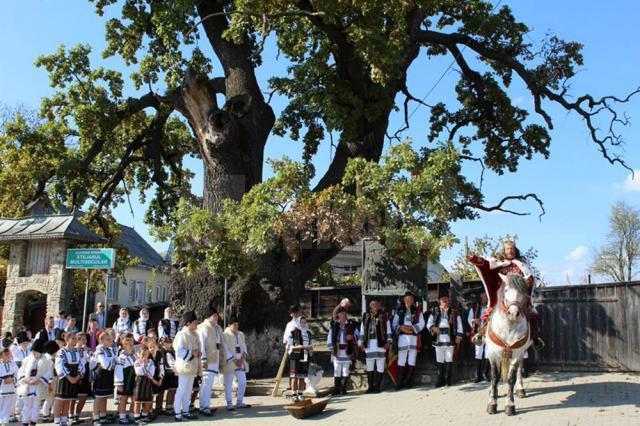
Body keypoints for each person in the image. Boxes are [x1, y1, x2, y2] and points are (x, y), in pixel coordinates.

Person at [467, 240, 544, 349]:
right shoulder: (498, 263)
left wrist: (526, 282)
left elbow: (529, 277)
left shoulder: (521, 264)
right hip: (502, 295)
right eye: (507, 249)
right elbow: (486, 265)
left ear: (515, 250)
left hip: (518, 296)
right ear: (504, 251)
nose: (510, 251)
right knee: (489, 312)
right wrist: (475, 259)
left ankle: (535, 338)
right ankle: (481, 333)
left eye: (512, 249)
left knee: (532, 314)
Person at [427, 295, 463, 388]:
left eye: (446, 300)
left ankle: (448, 380)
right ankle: (440, 380)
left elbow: (459, 324)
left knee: (449, 359)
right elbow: (429, 323)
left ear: (449, 301)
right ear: (439, 301)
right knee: (439, 360)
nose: (444, 302)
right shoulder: (435, 311)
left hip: (449, 338)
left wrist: (459, 336)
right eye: (442, 300)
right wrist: (433, 328)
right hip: (438, 338)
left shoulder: (454, 312)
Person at [391, 291, 425, 390]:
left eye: (410, 299)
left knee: (412, 360)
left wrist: (413, 328)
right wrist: (401, 328)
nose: (409, 300)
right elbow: (394, 324)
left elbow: (422, 323)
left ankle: (409, 382)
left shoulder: (417, 310)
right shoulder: (399, 310)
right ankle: (400, 382)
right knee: (401, 360)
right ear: (404, 299)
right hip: (402, 338)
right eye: (407, 298)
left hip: (413, 338)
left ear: (413, 300)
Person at [359, 297, 392, 394]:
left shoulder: (384, 316)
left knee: (380, 366)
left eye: (376, 305)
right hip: (369, 344)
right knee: (369, 366)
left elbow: (389, 329)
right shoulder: (365, 316)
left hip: (381, 344)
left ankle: (377, 386)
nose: (375, 306)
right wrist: (361, 342)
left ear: (379, 306)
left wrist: (389, 341)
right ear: (370, 306)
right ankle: (370, 387)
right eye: (373, 305)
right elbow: (362, 329)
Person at [172, 311, 200, 421]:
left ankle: (185, 411)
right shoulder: (182, 334)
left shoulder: (194, 334)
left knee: (188, 390)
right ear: (188, 323)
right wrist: (192, 353)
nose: (196, 324)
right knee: (182, 389)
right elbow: (178, 350)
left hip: (191, 366)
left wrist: (197, 353)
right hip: (184, 366)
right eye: (194, 322)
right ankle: (177, 413)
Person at [17, 338, 51, 426]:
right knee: (27, 405)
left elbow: (48, 373)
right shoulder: (26, 360)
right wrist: (25, 379)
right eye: (33, 351)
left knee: (36, 405)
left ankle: (33, 421)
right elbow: (21, 371)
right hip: (27, 385)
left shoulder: (46, 361)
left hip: (38, 385)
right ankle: (25, 421)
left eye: (36, 351)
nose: (34, 353)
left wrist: (40, 380)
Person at [197, 306, 222, 417]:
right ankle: (203, 407)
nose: (217, 318)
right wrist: (203, 359)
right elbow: (201, 344)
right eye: (214, 316)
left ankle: (206, 405)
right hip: (207, 360)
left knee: (209, 385)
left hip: (214, 359)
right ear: (209, 316)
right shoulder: (203, 328)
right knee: (206, 384)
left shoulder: (216, 328)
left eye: (217, 316)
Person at [53, 332, 84, 426]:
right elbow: (59, 366)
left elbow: (82, 364)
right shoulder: (61, 352)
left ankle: (64, 420)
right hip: (64, 378)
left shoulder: (78, 351)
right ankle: (57, 420)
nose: (75, 340)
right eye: (73, 338)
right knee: (60, 400)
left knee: (68, 400)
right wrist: (69, 377)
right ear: (67, 340)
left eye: (75, 338)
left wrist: (78, 376)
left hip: (74, 376)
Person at [221, 316, 250, 411]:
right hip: (230, 361)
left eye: (237, 324)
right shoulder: (225, 335)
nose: (237, 326)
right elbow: (225, 349)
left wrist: (242, 358)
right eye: (234, 324)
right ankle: (229, 403)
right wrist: (234, 360)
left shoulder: (241, 334)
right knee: (228, 383)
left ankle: (239, 401)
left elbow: (244, 346)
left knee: (243, 382)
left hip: (240, 361)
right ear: (229, 325)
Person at [327, 307, 357, 396]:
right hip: (337, 350)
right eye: (341, 313)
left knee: (345, 370)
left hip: (347, 349)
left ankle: (343, 389)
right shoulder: (334, 325)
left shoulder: (351, 324)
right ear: (337, 315)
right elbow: (329, 337)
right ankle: (336, 389)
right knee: (337, 370)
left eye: (344, 313)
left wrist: (352, 337)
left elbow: (357, 335)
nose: (343, 315)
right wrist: (331, 348)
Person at [92, 330, 116, 426]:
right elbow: (104, 364)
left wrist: (111, 363)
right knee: (98, 398)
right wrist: (112, 363)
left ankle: (103, 417)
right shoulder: (99, 350)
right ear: (101, 340)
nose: (110, 341)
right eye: (108, 339)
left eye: (110, 339)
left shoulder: (110, 349)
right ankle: (95, 419)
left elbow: (115, 360)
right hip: (100, 375)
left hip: (108, 375)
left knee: (104, 397)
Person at [287, 316, 313, 402]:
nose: (303, 324)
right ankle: (294, 395)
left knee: (302, 377)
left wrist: (309, 347)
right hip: (295, 358)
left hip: (305, 357)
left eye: (304, 322)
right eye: (301, 322)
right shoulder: (293, 333)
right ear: (298, 322)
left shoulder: (308, 333)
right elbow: (289, 345)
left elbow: (311, 345)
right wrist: (300, 346)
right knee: (294, 376)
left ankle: (300, 394)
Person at [114, 334, 136, 425]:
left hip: (133, 380)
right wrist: (119, 384)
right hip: (125, 380)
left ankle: (131, 415)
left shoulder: (134, 356)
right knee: (124, 398)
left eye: (131, 341)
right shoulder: (121, 357)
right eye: (127, 341)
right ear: (122, 343)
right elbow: (118, 370)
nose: (130, 343)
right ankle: (122, 417)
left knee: (134, 398)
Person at [468, 293, 490, 383]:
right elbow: (469, 318)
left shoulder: (491, 306)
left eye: (485, 296)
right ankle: (478, 375)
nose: (484, 298)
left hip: (489, 333)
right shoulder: (475, 307)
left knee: (488, 352)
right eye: (482, 297)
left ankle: (486, 373)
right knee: (478, 352)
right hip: (479, 332)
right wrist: (474, 321)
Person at [70, 333, 91, 425]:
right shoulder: (73, 350)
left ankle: (77, 415)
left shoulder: (87, 350)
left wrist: (87, 352)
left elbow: (91, 361)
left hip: (85, 374)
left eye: (85, 339)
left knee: (83, 396)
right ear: (77, 340)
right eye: (82, 339)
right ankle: (70, 415)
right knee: (73, 397)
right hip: (75, 374)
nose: (84, 341)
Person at [132, 346, 157, 425]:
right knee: (137, 402)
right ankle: (136, 419)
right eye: (142, 354)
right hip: (139, 384)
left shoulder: (151, 361)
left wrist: (145, 371)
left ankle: (144, 417)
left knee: (148, 402)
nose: (144, 356)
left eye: (146, 354)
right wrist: (144, 365)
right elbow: (138, 372)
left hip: (148, 384)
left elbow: (152, 373)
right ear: (139, 354)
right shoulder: (136, 362)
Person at [40, 341, 60, 423]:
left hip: (51, 381)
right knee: (49, 398)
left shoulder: (46, 358)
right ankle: (46, 415)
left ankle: (48, 414)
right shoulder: (50, 360)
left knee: (50, 399)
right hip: (51, 381)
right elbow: (50, 373)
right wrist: (50, 383)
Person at [158, 338, 177, 416]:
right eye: (166, 342)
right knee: (164, 391)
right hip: (166, 373)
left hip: (173, 372)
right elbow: (164, 362)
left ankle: (170, 406)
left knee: (173, 390)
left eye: (169, 342)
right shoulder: (161, 351)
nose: (168, 343)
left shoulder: (172, 351)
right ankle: (160, 407)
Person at [0, 348, 18, 426]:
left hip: (10, 388)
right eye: (6, 354)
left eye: (8, 354)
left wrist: (13, 379)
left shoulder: (13, 364)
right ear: (1, 356)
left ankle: (4, 422)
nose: (8, 356)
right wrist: (3, 381)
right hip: (1, 388)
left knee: (7, 405)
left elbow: (17, 374)